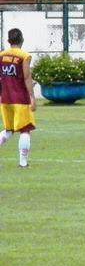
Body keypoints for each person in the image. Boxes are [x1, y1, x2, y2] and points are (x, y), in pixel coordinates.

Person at [0, 28, 36, 168]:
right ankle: (23, 162)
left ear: (9, 41)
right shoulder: (24, 56)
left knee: (9, 130)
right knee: (25, 129)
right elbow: (27, 77)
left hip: (5, 98)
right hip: (20, 98)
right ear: (22, 40)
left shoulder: (1, 55)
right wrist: (32, 97)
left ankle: (23, 161)